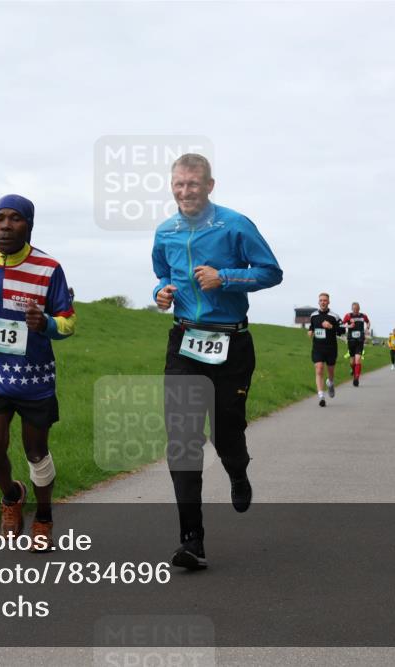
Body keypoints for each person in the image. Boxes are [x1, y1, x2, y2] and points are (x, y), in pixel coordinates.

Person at [152, 153, 282, 570]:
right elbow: (161, 273)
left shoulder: (235, 224)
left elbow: (270, 272)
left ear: (210, 186)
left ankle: (238, 471)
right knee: (183, 439)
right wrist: (162, 293)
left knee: (227, 432)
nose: (185, 191)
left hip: (232, 343)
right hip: (185, 341)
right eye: (178, 185)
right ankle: (192, 539)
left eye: (193, 184)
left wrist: (224, 277)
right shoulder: (165, 230)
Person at [0, 194, 76, 551]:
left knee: (36, 453)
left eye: (15, 219)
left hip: (34, 379)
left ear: (29, 224)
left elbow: (69, 322)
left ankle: (43, 518)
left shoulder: (48, 268)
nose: (5, 226)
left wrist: (46, 324)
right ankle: (12, 495)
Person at [308, 292, 344, 406]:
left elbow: (342, 331)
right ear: (318, 302)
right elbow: (311, 327)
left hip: (331, 348)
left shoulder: (334, 316)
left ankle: (331, 383)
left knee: (330, 371)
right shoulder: (313, 316)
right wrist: (310, 332)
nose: (323, 302)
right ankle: (321, 396)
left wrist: (331, 326)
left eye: (325, 300)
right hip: (318, 347)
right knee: (319, 369)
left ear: (328, 302)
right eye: (321, 300)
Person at [341, 302, 370, 387]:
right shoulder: (348, 316)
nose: (355, 310)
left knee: (358, 359)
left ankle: (356, 378)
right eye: (354, 309)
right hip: (351, 340)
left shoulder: (363, 316)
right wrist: (349, 326)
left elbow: (368, 322)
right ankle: (353, 370)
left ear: (359, 308)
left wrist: (367, 329)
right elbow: (342, 325)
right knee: (352, 362)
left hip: (360, 340)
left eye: (357, 309)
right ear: (352, 309)